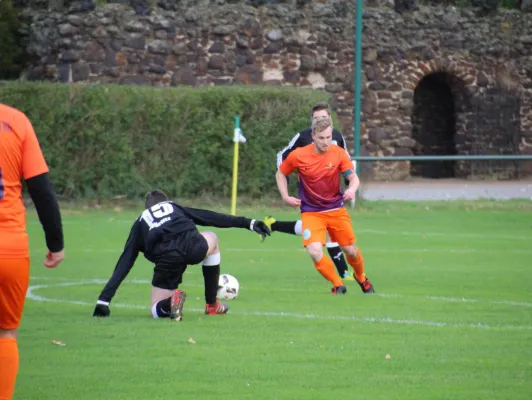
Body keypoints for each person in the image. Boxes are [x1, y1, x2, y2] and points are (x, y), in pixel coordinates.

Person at [92, 189, 271, 320]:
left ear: (147, 207)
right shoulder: (173, 207)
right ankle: (212, 305)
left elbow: (125, 261)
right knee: (213, 238)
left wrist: (103, 301)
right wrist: (249, 223)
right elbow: (209, 217)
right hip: (193, 246)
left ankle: (170, 304)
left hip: (167, 259)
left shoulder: (139, 223)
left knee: (155, 311)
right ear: (165, 201)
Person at [0, 103, 65, 400]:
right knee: (6, 334)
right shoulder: (15, 121)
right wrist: (56, 245)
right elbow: (42, 190)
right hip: (10, 248)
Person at [275, 116, 374, 295]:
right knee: (314, 251)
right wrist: (285, 196)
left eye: (328, 137)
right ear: (313, 136)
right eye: (321, 138)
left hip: (336, 209)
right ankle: (338, 285)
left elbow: (353, 177)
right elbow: (281, 173)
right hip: (311, 213)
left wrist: (352, 189)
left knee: (350, 251)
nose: (326, 142)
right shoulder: (298, 155)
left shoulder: (339, 153)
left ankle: (361, 278)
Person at [269, 101, 352, 281]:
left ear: (329, 118)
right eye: (316, 118)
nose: (319, 121)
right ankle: (344, 274)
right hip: (310, 197)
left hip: (333, 196)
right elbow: (282, 156)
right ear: (311, 123)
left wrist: (349, 181)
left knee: (326, 232)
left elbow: (346, 159)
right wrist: (286, 179)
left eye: (323, 117)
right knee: (325, 234)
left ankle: (274, 224)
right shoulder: (303, 137)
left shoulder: (337, 136)